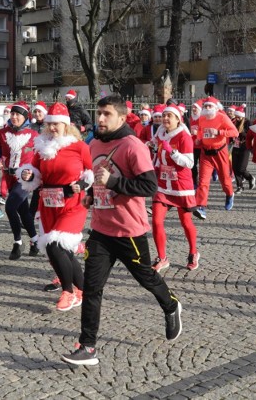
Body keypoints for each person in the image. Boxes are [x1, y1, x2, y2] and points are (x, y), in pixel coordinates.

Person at [61, 95, 181, 367]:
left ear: (121, 118)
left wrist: (114, 182)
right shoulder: (92, 144)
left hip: (129, 231)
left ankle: (171, 305)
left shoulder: (132, 146)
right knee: (92, 288)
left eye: (106, 114)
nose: (100, 119)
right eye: (99, 113)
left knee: (146, 279)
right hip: (101, 231)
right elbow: (95, 179)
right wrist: (91, 194)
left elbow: (149, 187)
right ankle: (88, 346)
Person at [19, 103, 93, 311]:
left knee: (55, 245)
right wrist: (28, 175)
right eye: (49, 124)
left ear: (66, 125)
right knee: (63, 252)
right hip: (49, 202)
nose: (52, 128)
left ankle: (68, 291)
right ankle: (83, 289)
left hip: (72, 201)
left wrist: (81, 185)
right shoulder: (41, 147)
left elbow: (91, 172)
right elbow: (34, 171)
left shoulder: (79, 146)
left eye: (57, 124)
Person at [149, 104, 199, 272]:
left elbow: (190, 163)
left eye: (169, 116)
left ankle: (193, 252)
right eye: (164, 116)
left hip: (180, 185)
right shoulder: (160, 133)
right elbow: (155, 150)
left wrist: (173, 152)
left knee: (185, 222)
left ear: (178, 119)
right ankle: (162, 257)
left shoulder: (184, 137)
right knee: (156, 221)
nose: (165, 119)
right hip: (163, 185)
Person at [0, 101, 40, 260]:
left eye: (18, 114)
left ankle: (17, 243)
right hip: (9, 176)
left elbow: (40, 157)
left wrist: (35, 174)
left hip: (25, 178)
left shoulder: (33, 135)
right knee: (24, 211)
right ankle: (35, 241)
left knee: (10, 207)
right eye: (12, 114)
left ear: (25, 117)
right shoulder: (3, 132)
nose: (14, 117)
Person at [192, 96, 239, 220]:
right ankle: (201, 207)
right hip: (206, 153)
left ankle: (230, 194)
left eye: (210, 106)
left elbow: (235, 132)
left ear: (216, 108)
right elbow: (201, 131)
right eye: (205, 106)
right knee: (203, 182)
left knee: (224, 179)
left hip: (220, 152)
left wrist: (219, 133)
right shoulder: (202, 118)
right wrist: (199, 139)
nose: (207, 108)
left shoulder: (222, 118)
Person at [230, 104, 255, 193]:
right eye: (236, 117)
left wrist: (240, 134)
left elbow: (251, 134)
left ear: (242, 116)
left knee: (241, 168)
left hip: (245, 147)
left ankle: (250, 178)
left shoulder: (247, 122)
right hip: (236, 147)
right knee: (235, 167)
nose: (236, 118)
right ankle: (240, 186)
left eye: (238, 117)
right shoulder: (234, 122)